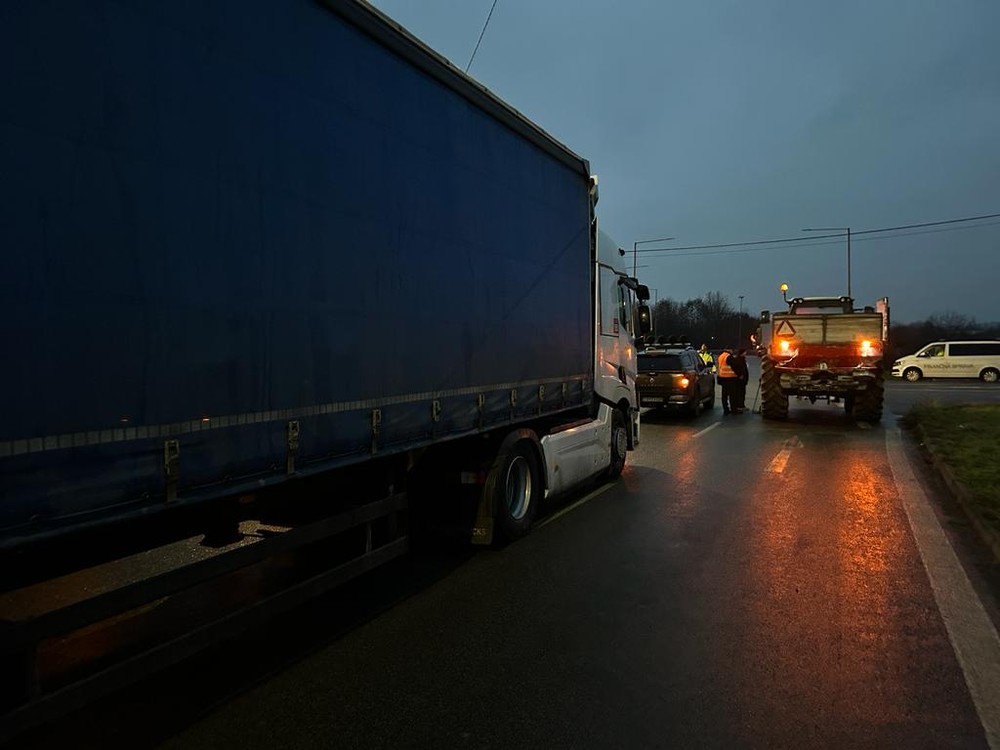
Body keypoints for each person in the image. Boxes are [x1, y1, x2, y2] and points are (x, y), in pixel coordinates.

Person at [716, 348, 739, 414]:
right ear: (729, 350)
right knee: (732, 396)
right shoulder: (729, 357)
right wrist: (739, 374)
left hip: (723, 378)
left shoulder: (721, 356)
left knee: (724, 395)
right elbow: (734, 366)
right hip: (730, 378)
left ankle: (725, 410)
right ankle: (733, 410)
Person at [730, 347, 750, 412]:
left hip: (742, 379)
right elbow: (737, 369)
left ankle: (741, 405)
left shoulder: (742, 359)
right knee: (740, 393)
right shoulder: (738, 360)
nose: (746, 353)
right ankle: (740, 406)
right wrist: (740, 375)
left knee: (742, 393)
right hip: (740, 380)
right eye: (745, 352)